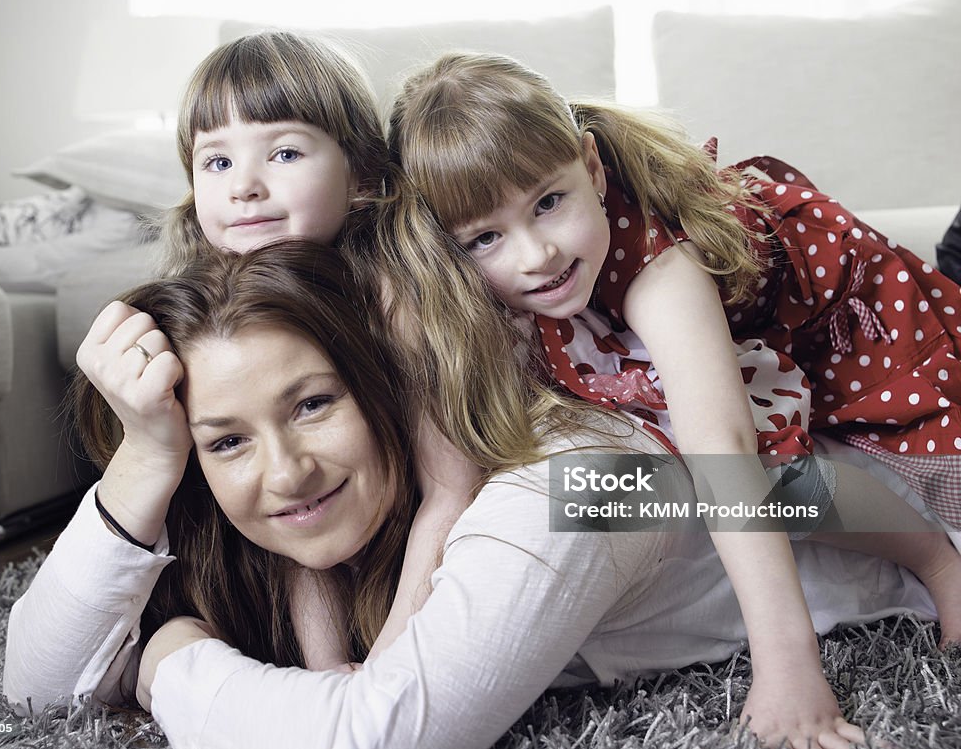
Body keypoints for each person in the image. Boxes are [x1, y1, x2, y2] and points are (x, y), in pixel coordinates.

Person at [4, 242, 950, 749]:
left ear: (386, 386)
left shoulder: (567, 481)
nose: (286, 472)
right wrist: (144, 456)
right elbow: (36, 692)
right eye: (227, 440)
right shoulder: (299, 533)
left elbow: (374, 737)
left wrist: (169, 655)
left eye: (315, 403)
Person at [384, 51, 961, 746]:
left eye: (548, 202)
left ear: (591, 169)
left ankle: (937, 559)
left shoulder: (660, 268)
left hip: (857, 314)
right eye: (486, 238)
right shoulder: (469, 285)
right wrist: (388, 650)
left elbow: (722, 447)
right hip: (757, 329)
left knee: (784, 475)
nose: (534, 253)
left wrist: (788, 665)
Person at [92, 29, 486, 671]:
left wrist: (389, 666)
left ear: (361, 176)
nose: (243, 186)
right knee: (289, 498)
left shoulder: (397, 295)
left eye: (283, 153)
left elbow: (450, 488)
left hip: (430, 518)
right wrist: (325, 676)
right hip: (322, 527)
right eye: (216, 162)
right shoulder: (217, 314)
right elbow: (285, 538)